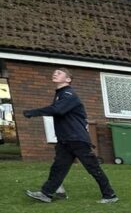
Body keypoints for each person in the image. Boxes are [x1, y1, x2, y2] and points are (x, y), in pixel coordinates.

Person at [23, 67, 117, 204]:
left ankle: (110, 195)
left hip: (77, 139)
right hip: (65, 140)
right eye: (54, 72)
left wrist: (33, 112)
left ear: (68, 79)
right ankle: (46, 194)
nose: (55, 73)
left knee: (93, 168)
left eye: (59, 73)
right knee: (58, 167)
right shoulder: (60, 94)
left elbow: (58, 110)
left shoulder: (69, 94)